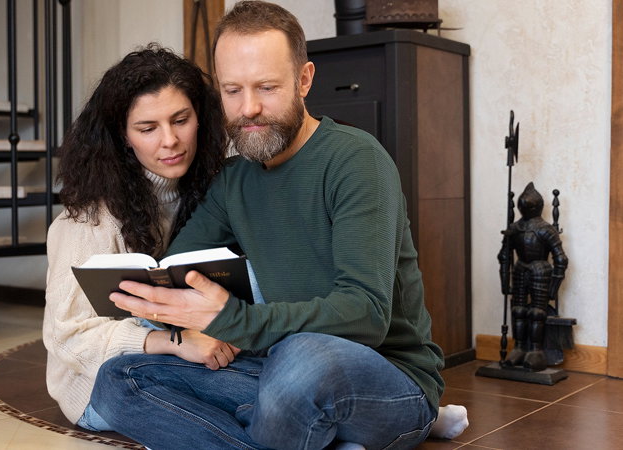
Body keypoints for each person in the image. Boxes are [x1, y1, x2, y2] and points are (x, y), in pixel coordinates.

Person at [92, 2, 466, 449]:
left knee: (302, 357)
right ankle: (299, 436)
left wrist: (233, 320)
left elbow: (366, 315)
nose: (248, 108)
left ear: (304, 80)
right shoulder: (233, 180)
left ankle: (278, 428)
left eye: (266, 87)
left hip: (387, 381)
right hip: (277, 372)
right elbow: (178, 268)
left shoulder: (357, 161)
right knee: (118, 379)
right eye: (232, 90)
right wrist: (165, 306)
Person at [42, 44, 233, 431]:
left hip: (192, 348)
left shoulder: (212, 190)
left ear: (200, 117)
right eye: (148, 129)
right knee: (256, 394)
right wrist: (176, 342)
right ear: (123, 136)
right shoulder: (89, 219)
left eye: (181, 120)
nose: (170, 140)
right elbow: (67, 337)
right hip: (100, 383)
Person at [498, 182, 568, 371]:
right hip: (520, 269)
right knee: (518, 310)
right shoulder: (514, 229)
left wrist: (553, 287)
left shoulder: (546, 229)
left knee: (537, 313)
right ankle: (519, 348)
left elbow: (560, 259)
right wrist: (504, 282)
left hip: (540, 269)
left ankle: (536, 351)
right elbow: (504, 256)